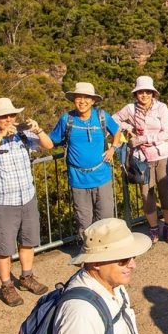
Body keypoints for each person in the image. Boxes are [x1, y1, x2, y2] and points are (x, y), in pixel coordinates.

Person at [0, 97, 54, 307]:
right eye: (4, 117)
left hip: (26, 196)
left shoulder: (23, 136)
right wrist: (1, 135)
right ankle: (6, 285)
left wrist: (37, 130)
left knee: (28, 241)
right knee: (3, 247)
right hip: (3, 201)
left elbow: (48, 145)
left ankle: (27, 276)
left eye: (12, 115)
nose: (9, 119)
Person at [52, 218, 151, 334]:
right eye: (123, 259)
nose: (133, 265)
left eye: (133, 256)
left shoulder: (113, 284)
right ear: (97, 262)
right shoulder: (81, 314)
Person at [49, 82, 123, 236]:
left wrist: (113, 148)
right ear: (73, 100)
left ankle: (106, 257)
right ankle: (90, 257)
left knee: (106, 220)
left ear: (93, 101)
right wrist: (35, 133)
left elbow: (117, 131)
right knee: (84, 223)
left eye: (86, 98)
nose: (82, 101)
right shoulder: (67, 119)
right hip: (78, 179)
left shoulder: (102, 116)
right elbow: (51, 141)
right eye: (78, 97)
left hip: (102, 176)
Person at [113, 76, 168, 243]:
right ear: (136, 94)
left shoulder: (161, 108)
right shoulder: (130, 109)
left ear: (153, 93)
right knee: (146, 194)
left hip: (161, 155)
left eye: (147, 92)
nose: (144, 95)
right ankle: (154, 228)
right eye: (141, 92)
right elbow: (113, 120)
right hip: (142, 159)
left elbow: (167, 134)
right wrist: (128, 127)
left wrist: (142, 139)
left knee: (165, 192)